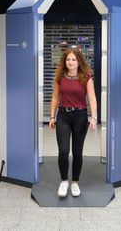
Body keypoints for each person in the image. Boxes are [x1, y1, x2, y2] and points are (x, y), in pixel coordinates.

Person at [49, 48, 97, 198]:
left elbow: (92, 98)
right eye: (68, 59)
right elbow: (55, 98)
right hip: (63, 116)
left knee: (77, 152)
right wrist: (52, 117)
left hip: (80, 117)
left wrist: (94, 117)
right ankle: (64, 181)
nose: (70, 62)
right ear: (65, 61)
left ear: (79, 62)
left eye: (74, 60)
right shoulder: (59, 78)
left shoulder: (86, 78)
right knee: (63, 151)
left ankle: (75, 182)